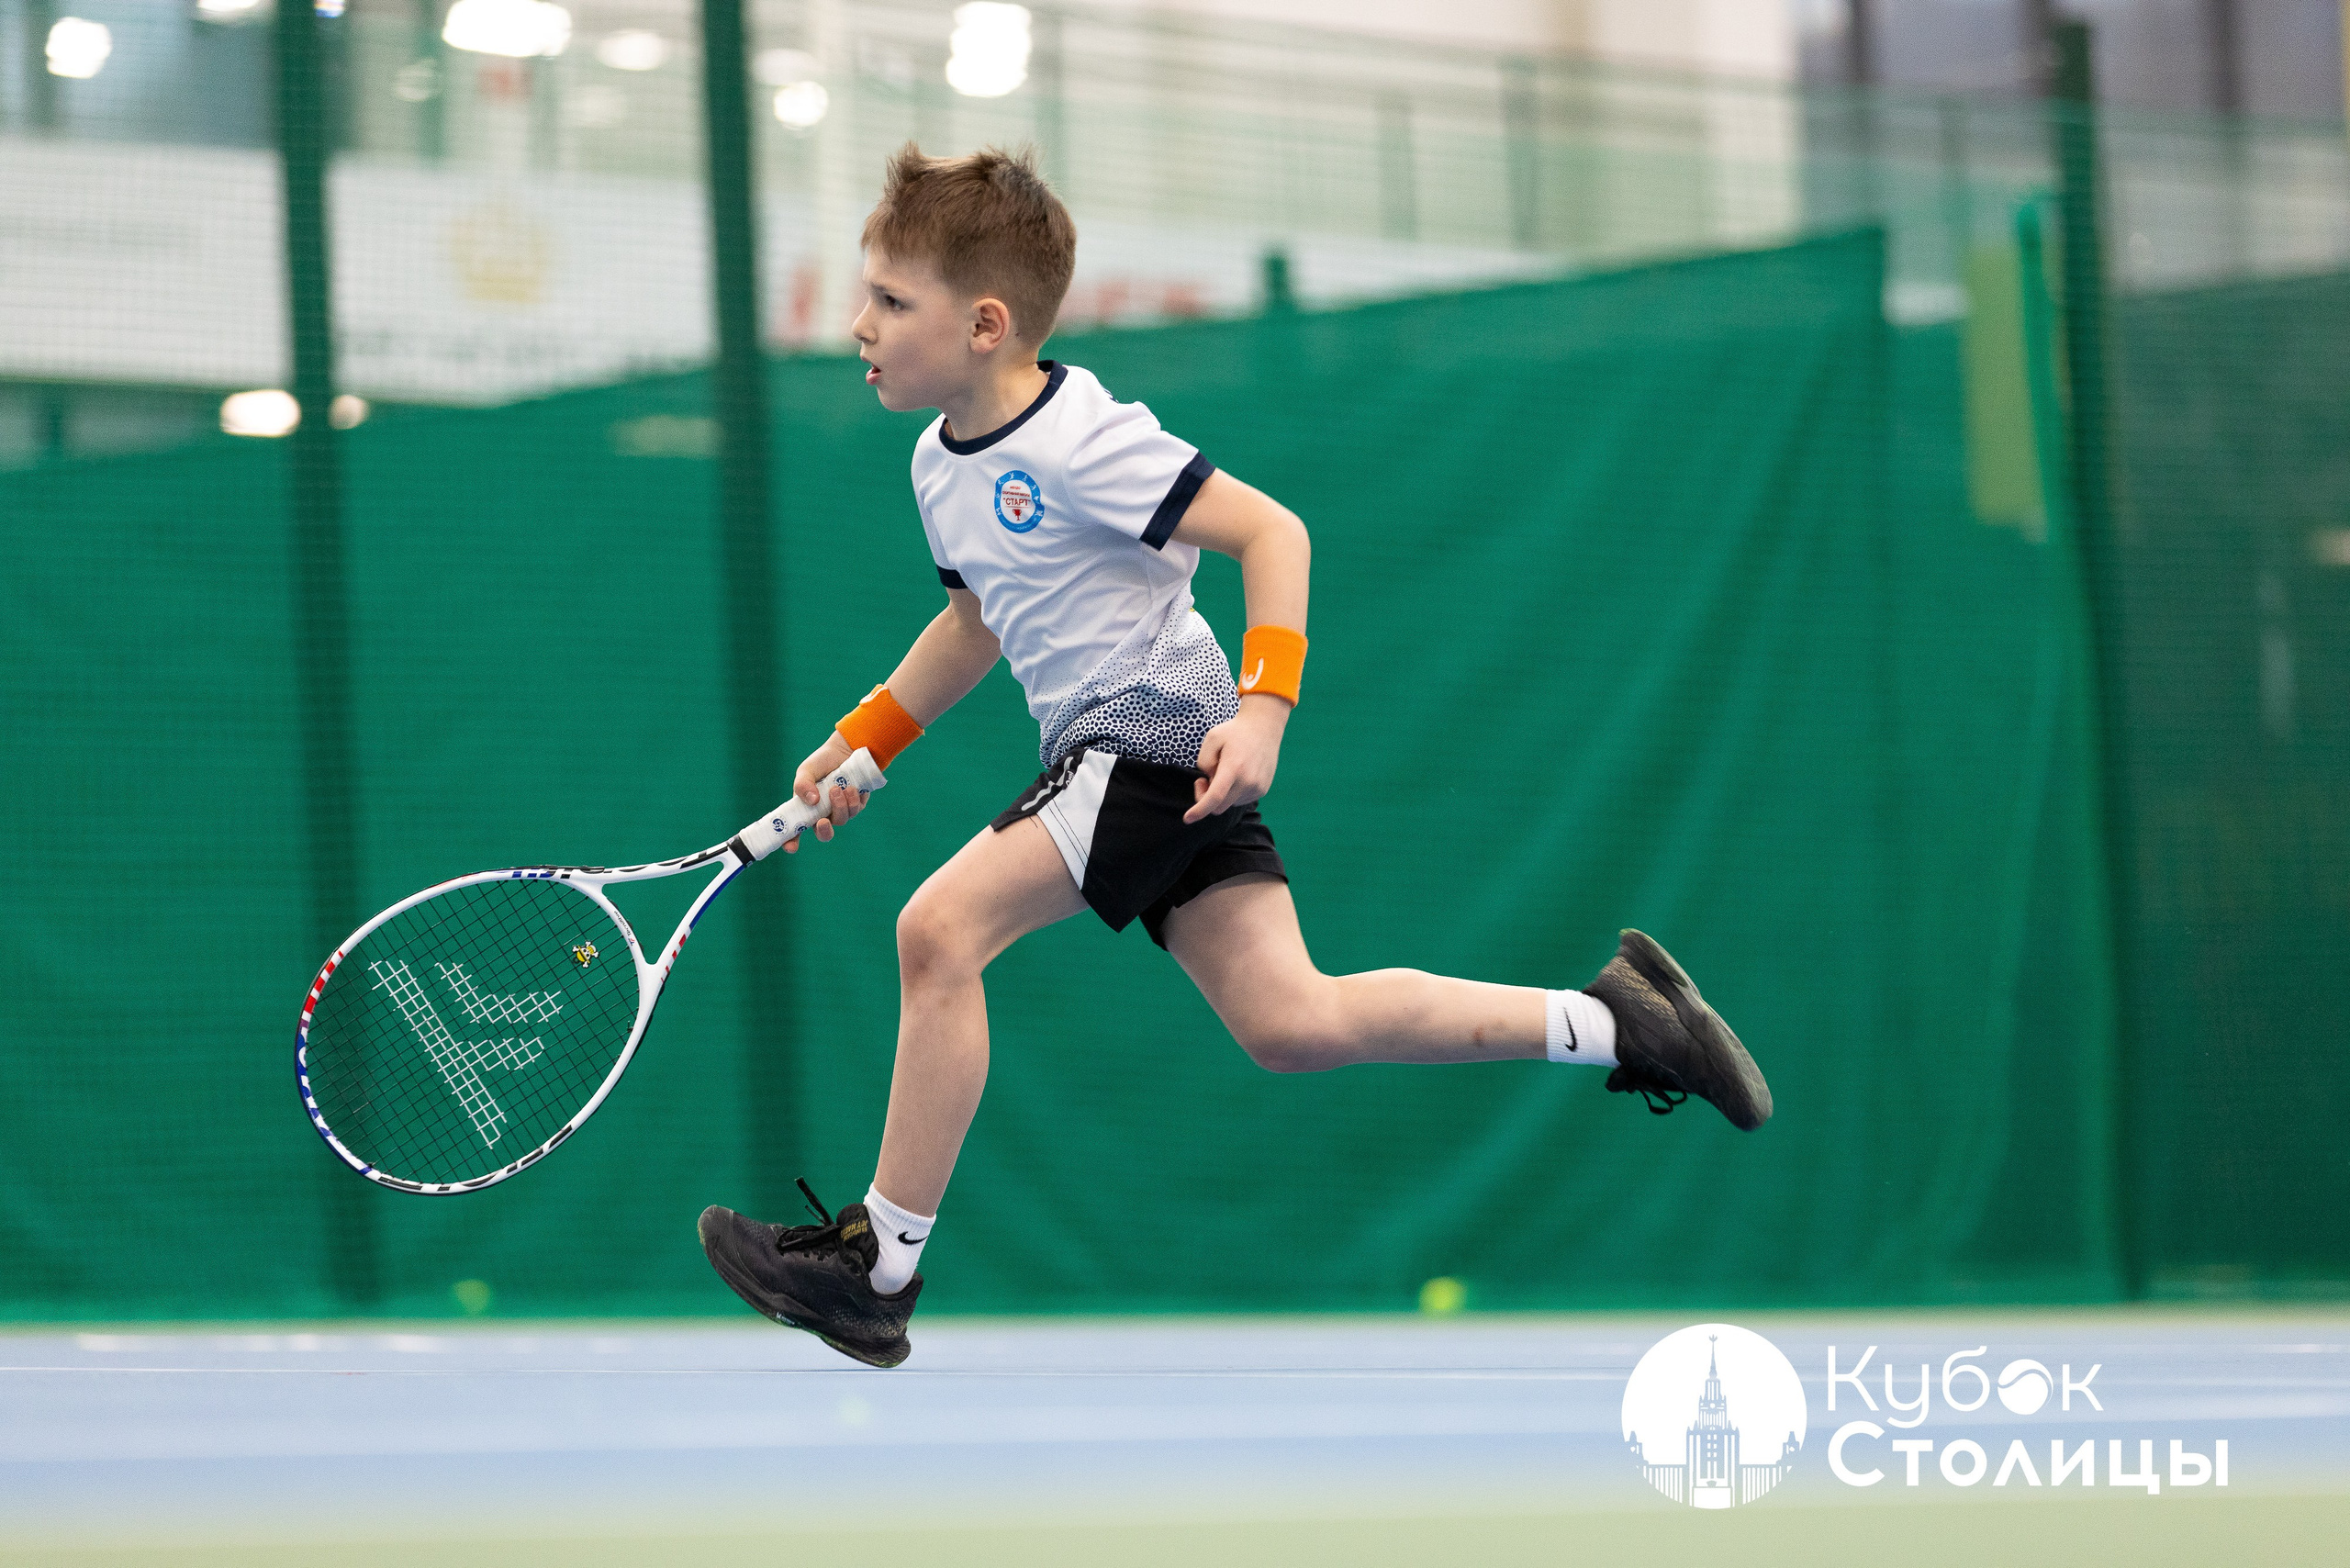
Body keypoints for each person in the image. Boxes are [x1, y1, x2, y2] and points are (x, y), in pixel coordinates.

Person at [698, 144, 1772, 1368]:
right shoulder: (939, 465)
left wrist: (1265, 710)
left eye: (892, 301)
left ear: (986, 323)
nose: (860, 325)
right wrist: (863, 745)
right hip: (1135, 756)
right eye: (867, 296)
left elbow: (1274, 531)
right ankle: (1619, 1026)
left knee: (938, 934)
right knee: (1290, 1018)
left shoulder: (1084, 442)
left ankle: (877, 1267)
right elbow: (976, 622)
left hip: (1151, 733)